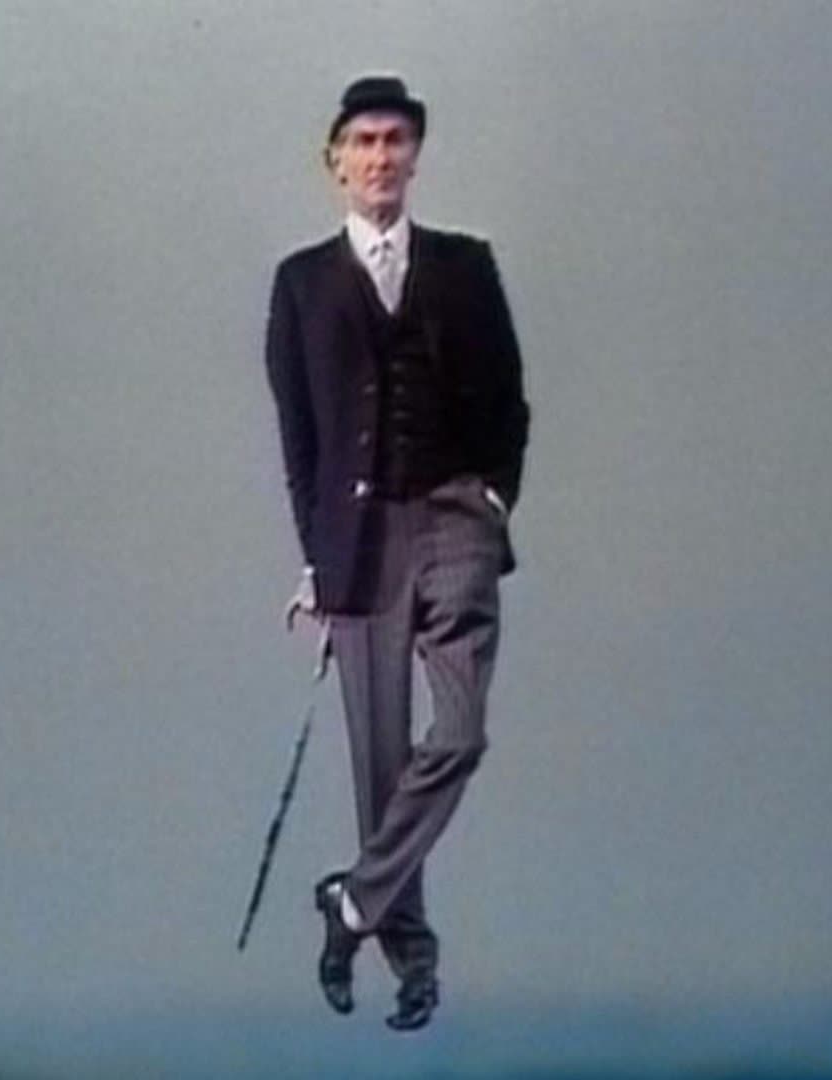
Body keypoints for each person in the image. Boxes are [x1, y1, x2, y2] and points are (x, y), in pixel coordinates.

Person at [262, 74, 529, 1032]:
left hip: (455, 521)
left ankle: (351, 908)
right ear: (335, 161)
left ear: (415, 155)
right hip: (360, 545)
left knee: (457, 736)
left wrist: (492, 499)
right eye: (364, 142)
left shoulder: (466, 265)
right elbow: (301, 439)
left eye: (395, 140)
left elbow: (510, 398)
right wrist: (318, 563)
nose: (381, 157)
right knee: (379, 766)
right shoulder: (300, 283)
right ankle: (411, 958)